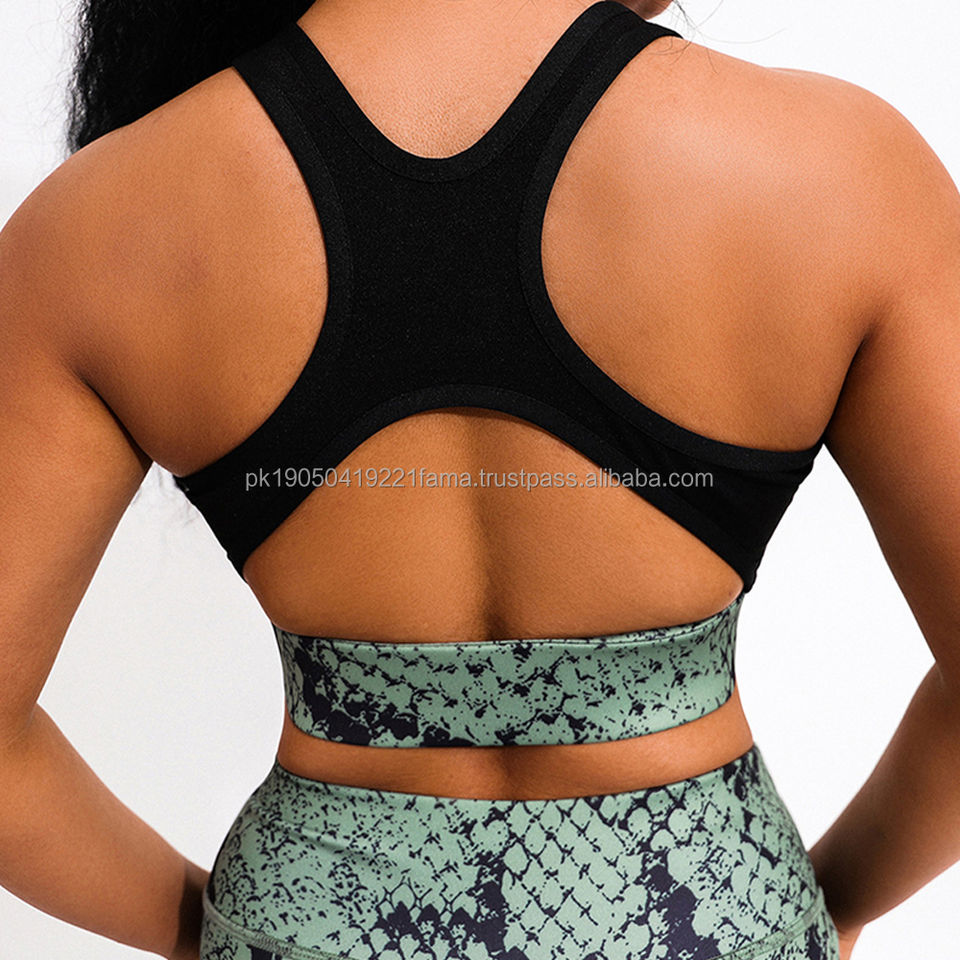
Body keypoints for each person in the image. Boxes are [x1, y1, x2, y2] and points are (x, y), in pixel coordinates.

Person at [1, 0, 958, 957]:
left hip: (312, 925)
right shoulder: (839, 170)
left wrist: (215, 935)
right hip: (711, 919)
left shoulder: (102, 218)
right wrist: (831, 903)